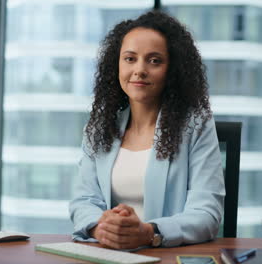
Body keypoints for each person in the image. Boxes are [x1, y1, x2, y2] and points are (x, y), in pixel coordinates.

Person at [69, 11, 225, 249]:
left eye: (154, 61)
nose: (139, 70)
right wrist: (101, 228)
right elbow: (83, 200)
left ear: (172, 70)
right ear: (116, 64)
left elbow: (206, 214)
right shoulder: (99, 127)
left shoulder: (196, 126)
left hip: (167, 255)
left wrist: (148, 232)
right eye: (130, 58)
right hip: (110, 254)